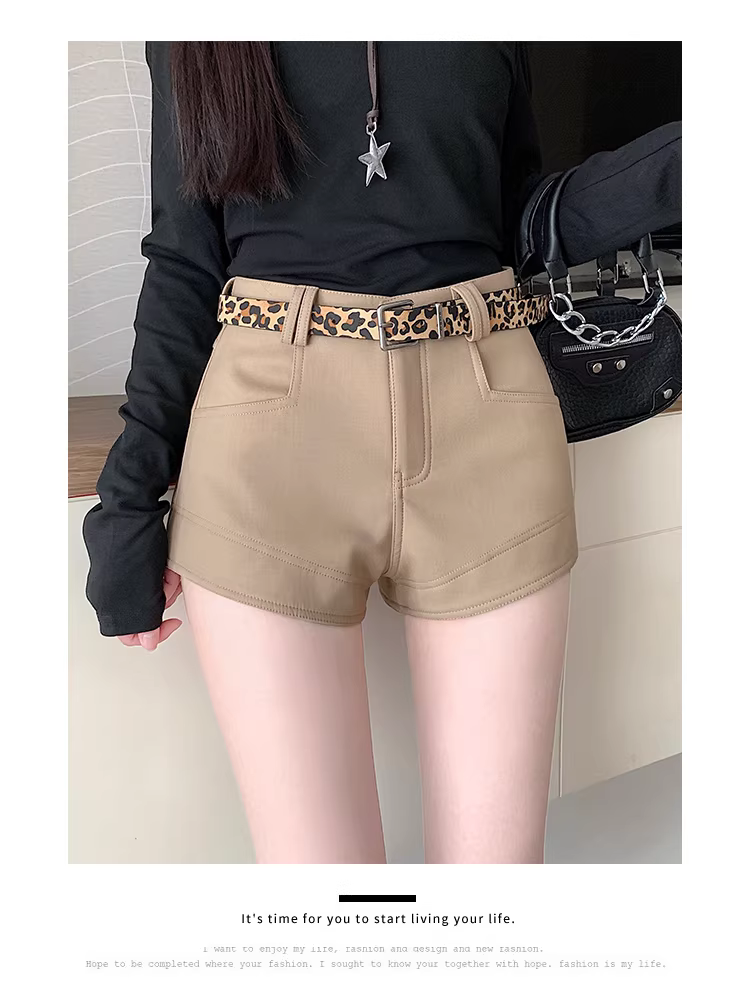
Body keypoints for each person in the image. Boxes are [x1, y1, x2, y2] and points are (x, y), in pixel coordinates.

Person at [81, 42, 681, 864]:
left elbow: (514, 219)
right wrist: (129, 499)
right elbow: (186, 257)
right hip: (267, 440)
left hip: (488, 413)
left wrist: (672, 171)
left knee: (496, 895)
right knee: (328, 903)